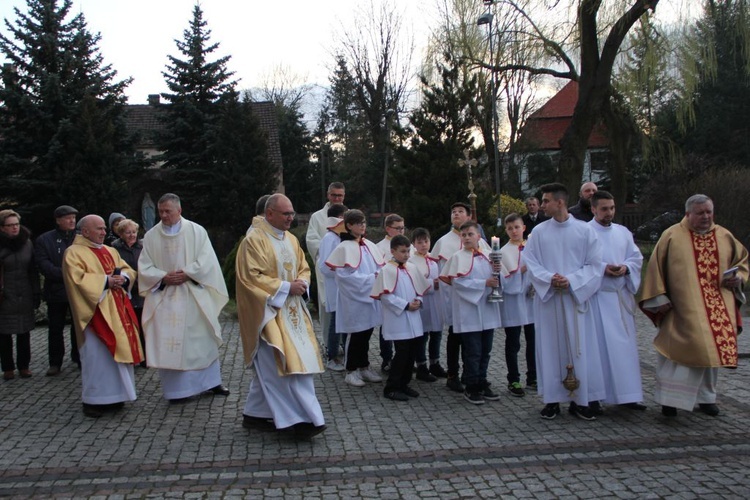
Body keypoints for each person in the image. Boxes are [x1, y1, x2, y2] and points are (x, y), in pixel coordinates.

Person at [640, 194, 748, 418]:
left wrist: (738, 279)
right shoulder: (671, 236)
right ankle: (669, 401)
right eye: (700, 213)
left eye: (709, 212)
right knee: (676, 354)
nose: (706, 217)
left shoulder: (725, 236)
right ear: (688, 214)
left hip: (718, 307)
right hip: (682, 308)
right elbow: (655, 269)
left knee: (711, 353)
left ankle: (707, 398)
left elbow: (742, 263)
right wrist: (659, 301)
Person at [235, 194, 326, 439]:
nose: (290, 218)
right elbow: (250, 278)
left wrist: (303, 283)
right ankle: (298, 420)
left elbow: (304, 267)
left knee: (297, 364)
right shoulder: (253, 241)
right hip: (268, 313)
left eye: (292, 213)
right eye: (286, 214)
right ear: (270, 213)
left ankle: (255, 414)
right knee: (280, 366)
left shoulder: (292, 239)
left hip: (294, 311)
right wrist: (286, 288)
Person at [523, 183, 605, 421]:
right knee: (549, 348)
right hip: (550, 302)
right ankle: (552, 400)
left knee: (580, 349)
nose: (542, 204)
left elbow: (595, 265)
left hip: (575, 300)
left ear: (560, 202)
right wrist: (550, 279)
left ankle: (581, 400)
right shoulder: (538, 232)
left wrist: (571, 280)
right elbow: (531, 262)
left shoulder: (585, 231)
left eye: (546, 200)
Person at [138, 193, 230, 402]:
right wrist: (163, 277)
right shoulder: (152, 236)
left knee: (202, 338)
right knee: (168, 342)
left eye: (167, 211)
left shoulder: (197, 231)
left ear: (179, 211)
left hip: (192, 293)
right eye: (161, 211)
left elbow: (207, 261)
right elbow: (144, 267)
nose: (163, 215)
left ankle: (211, 383)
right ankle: (177, 391)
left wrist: (188, 272)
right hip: (165, 297)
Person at [62, 215, 143, 418]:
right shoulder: (74, 253)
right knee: (97, 359)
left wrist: (122, 278)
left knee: (117, 356)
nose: (103, 232)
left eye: (104, 229)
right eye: (98, 229)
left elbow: (128, 270)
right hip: (94, 315)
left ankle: (116, 396)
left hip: (117, 310)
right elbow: (77, 280)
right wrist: (107, 281)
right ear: (85, 231)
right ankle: (94, 400)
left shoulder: (110, 250)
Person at [588, 191, 646, 412]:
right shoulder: (586, 232)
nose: (609, 213)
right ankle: (595, 397)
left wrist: (626, 268)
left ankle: (628, 395)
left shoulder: (623, 232)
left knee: (625, 350)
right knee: (598, 350)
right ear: (593, 209)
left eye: (611, 208)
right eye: (604, 209)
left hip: (620, 298)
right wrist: (603, 268)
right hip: (598, 298)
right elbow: (582, 262)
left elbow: (636, 257)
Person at [440, 220, 502, 405]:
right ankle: (471, 385)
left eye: (470, 234)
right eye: (464, 235)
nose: (467, 237)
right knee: (473, 351)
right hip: (469, 312)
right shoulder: (458, 258)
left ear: (479, 236)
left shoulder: (488, 256)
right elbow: (458, 283)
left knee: (486, 350)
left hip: (487, 309)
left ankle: (482, 381)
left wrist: (498, 273)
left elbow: (500, 280)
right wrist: (484, 284)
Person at [431, 202, 491, 392]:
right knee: (455, 337)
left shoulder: (481, 244)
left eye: (460, 212)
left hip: (478, 301)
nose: (456, 214)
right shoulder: (443, 241)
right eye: (453, 211)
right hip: (452, 297)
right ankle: (452, 374)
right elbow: (441, 272)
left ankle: (471, 376)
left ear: (468, 217)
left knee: (475, 344)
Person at [325, 209, 385, 388]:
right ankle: (351, 370)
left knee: (366, 333)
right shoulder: (343, 248)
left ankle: (364, 366)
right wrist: (371, 279)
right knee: (355, 334)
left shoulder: (369, 245)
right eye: (359, 223)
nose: (363, 226)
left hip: (370, 296)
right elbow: (344, 277)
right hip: (354, 299)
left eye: (364, 222)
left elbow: (380, 266)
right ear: (349, 225)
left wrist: (378, 277)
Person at [371, 235, 429, 401]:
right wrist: (405, 305)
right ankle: (392, 387)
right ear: (392, 251)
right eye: (403, 251)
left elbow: (420, 289)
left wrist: (419, 300)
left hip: (413, 317)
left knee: (412, 353)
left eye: (408, 250)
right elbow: (385, 296)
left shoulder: (411, 267)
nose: (406, 254)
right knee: (401, 353)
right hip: (399, 319)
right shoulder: (386, 270)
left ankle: (404, 384)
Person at [35, 204, 80, 376]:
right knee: (55, 329)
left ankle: (79, 357)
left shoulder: (80, 237)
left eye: (74, 218)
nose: (72, 221)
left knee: (78, 327)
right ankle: (55, 362)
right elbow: (44, 265)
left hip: (77, 291)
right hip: (56, 291)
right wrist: (69, 275)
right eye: (68, 218)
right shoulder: (45, 240)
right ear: (58, 220)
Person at [499, 213, 536, 397]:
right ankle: (513, 378)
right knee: (513, 342)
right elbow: (503, 281)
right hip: (513, 302)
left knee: (533, 340)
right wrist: (520, 271)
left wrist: (536, 286)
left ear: (524, 228)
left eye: (517, 227)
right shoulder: (503, 252)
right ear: (506, 230)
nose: (514, 231)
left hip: (531, 301)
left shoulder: (532, 248)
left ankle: (533, 375)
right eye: (510, 228)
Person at [0, 210, 40, 380]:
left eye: (16, 224)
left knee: (24, 331)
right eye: (10, 225)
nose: (15, 228)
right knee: (4, 332)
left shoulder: (27, 243)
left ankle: (24, 366)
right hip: (4, 293)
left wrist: (36, 291)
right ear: (2, 228)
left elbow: (33, 270)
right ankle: (7, 367)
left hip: (25, 291)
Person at [306, 182, 346, 351]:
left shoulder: (349, 214)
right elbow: (311, 239)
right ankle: (328, 345)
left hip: (346, 269)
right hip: (327, 268)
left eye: (340, 195)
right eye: (334, 195)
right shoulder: (317, 217)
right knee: (328, 308)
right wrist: (328, 248)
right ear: (328, 195)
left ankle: (344, 344)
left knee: (345, 308)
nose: (337, 198)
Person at [375, 214, 414, 373]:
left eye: (403, 228)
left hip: (407, 290)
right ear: (388, 228)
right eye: (397, 228)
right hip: (390, 290)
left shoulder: (408, 245)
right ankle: (387, 358)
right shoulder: (379, 247)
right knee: (387, 327)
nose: (401, 231)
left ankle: (405, 361)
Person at [409, 227, 445, 382]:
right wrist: (432, 283)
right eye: (420, 242)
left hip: (435, 302)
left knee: (436, 334)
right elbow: (414, 281)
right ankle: (421, 365)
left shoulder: (433, 260)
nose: (424, 245)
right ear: (414, 244)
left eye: (426, 241)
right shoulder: (412, 261)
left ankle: (435, 363)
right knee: (422, 336)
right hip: (423, 303)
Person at [316, 203, 348, 372]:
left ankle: (341, 352)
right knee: (335, 323)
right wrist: (341, 271)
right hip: (335, 286)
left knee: (343, 322)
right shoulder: (329, 239)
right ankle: (332, 356)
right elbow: (325, 266)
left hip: (343, 287)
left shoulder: (339, 238)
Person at [112, 219, 147, 367]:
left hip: (143, 291)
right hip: (125, 292)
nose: (132, 235)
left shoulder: (143, 246)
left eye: (134, 232)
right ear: (120, 234)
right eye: (128, 232)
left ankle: (146, 356)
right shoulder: (114, 249)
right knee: (129, 325)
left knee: (144, 325)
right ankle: (132, 354)